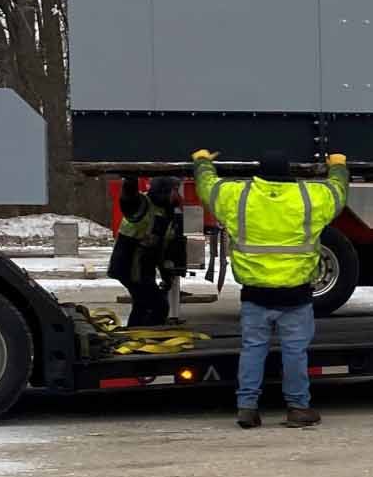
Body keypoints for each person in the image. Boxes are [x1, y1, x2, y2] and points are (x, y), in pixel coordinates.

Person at [191, 147, 349, 430]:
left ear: (258, 172)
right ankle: (298, 408)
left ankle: (247, 408)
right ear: (288, 172)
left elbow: (207, 189)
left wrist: (202, 162)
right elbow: (338, 193)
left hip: (255, 293)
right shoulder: (308, 197)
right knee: (295, 352)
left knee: (252, 349)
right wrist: (337, 167)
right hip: (295, 294)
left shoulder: (239, 196)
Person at [108, 176, 187, 327]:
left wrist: (166, 274)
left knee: (142, 305)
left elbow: (162, 247)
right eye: (175, 190)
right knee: (158, 306)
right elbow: (128, 198)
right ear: (163, 191)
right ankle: (148, 337)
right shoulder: (142, 204)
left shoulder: (167, 212)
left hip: (143, 268)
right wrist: (131, 177)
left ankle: (135, 336)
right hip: (129, 266)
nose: (178, 195)